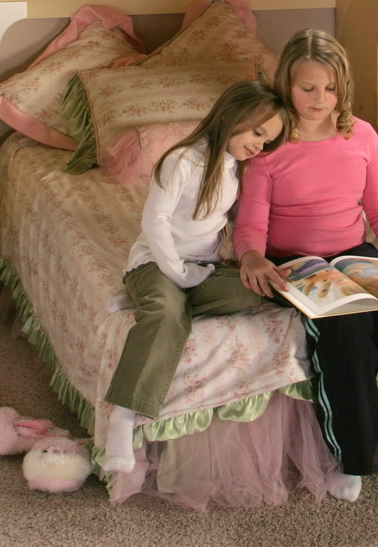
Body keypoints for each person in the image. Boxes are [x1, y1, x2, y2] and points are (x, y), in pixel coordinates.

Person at [234, 30, 378, 502]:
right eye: (308, 88)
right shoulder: (271, 148)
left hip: (357, 254)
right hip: (295, 263)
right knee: (347, 343)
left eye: (331, 88)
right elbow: (250, 224)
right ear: (286, 87)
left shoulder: (361, 135)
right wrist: (252, 257)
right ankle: (353, 457)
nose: (321, 99)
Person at [103, 80, 287, 473]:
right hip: (157, 262)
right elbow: (155, 220)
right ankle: (123, 415)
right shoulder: (183, 160)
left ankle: (148, 299)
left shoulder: (238, 167)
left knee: (254, 292)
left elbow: (236, 224)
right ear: (233, 115)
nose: (260, 145)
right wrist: (177, 273)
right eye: (256, 132)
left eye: (267, 140)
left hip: (203, 270)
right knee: (167, 313)